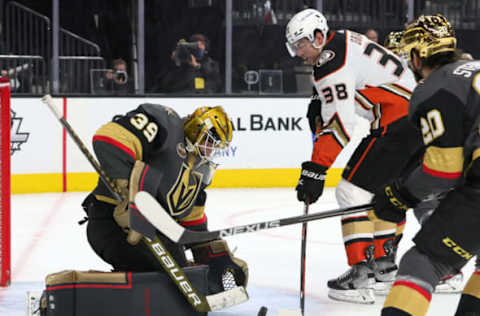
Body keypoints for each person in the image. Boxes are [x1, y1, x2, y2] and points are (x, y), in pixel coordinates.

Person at [285, 8, 421, 304]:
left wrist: (316, 169)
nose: (298, 53)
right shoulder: (344, 38)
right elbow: (354, 84)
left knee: (350, 190)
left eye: (301, 45)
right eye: (294, 47)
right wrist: (318, 100)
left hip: (396, 123)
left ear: (318, 37)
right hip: (416, 121)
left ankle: (360, 276)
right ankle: (384, 268)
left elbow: (341, 124)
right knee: (384, 192)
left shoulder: (327, 62)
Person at [371, 14, 480, 316]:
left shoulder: (435, 87)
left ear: (418, 56)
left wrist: (399, 196)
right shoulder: (474, 69)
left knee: (423, 263)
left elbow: (442, 170)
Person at [81, 104, 248, 295]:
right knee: (178, 279)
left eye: (215, 147)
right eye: (209, 141)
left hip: (150, 234)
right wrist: (129, 195)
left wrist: (210, 249)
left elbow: (193, 223)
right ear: (196, 129)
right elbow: (109, 138)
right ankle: (99, 295)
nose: (210, 151)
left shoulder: (197, 169)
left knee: (184, 274)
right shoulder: (166, 125)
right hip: (111, 226)